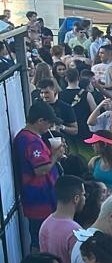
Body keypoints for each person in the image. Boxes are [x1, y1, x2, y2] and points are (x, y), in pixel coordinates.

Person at [15, 100, 65, 248]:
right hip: (40, 201)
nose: (50, 127)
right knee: (42, 241)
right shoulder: (31, 142)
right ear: (40, 120)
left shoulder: (28, 137)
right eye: (49, 123)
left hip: (40, 199)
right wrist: (55, 156)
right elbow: (41, 170)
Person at [38, 175, 86, 263]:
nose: (85, 198)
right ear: (76, 198)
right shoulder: (76, 232)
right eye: (83, 195)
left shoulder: (45, 224)